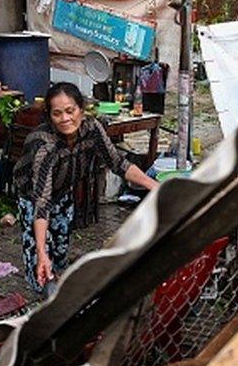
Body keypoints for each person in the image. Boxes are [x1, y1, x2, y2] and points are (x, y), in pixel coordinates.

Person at [13, 82, 158, 295]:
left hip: (62, 193)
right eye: (57, 113)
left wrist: (155, 186)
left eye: (70, 111)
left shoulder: (92, 129)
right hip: (33, 199)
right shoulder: (44, 145)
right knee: (40, 257)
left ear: (81, 109)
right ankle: (43, 299)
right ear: (50, 116)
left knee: (61, 249)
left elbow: (118, 163)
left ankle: (58, 285)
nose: (65, 119)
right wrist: (42, 253)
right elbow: (41, 204)